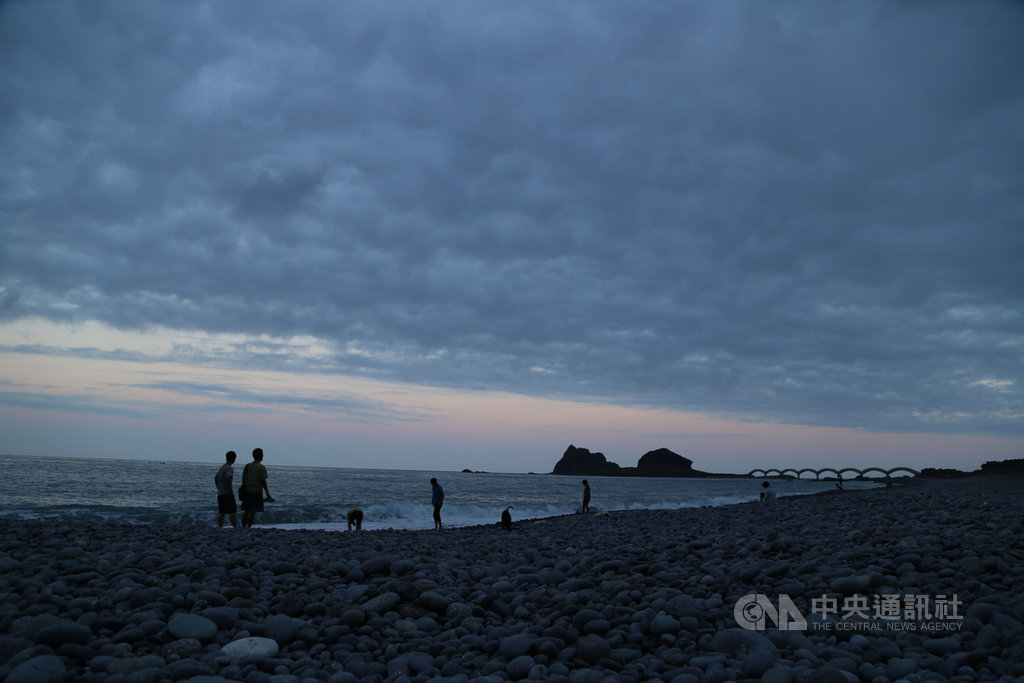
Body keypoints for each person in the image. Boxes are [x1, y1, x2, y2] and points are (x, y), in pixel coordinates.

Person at [241, 447, 274, 528]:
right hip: (256, 491)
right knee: (253, 511)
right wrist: (267, 493)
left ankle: (243, 527)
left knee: (246, 511)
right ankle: (249, 527)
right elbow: (263, 481)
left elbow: (243, 479)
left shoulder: (247, 466)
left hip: (246, 491)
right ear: (261, 456)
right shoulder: (261, 467)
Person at [214, 450, 238, 528]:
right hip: (227, 493)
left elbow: (216, 477)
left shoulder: (222, 467)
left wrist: (218, 487)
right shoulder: (229, 468)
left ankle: (220, 526)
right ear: (234, 459)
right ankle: (235, 526)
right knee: (232, 512)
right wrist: (230, 490)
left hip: (220, 493)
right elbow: (228, 477)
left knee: (222, 512)